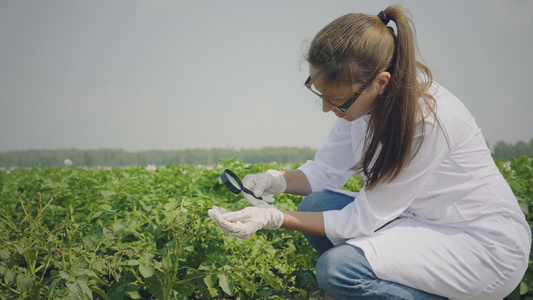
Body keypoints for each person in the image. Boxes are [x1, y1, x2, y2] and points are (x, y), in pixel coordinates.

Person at [208, 5, 531, 300]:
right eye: (321, 95)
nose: (326, 109)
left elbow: (360, 221)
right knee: (317, 203)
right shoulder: (360, 103)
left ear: (382, 82)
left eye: (337, 101)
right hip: (417, 220)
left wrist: (273, 218)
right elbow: (325, 171)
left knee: (338, 269)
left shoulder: (426, 120)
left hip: (477, 245)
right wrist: (275, 180)